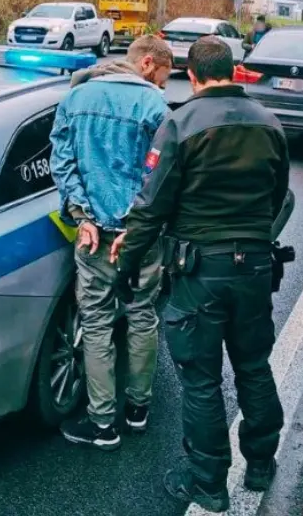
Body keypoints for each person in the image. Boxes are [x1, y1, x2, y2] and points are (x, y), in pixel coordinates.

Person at [110, 36, 289, 513]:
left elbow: (151, 207)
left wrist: (125, 270)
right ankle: (261, 463)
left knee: (202, 380)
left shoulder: (180, 123)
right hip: (253, 267)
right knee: (253, 366)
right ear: (233, 70)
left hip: (198, 272)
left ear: (192, 75)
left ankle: (209, 485)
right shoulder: (270, 124)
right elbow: (280, 196)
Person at [49, 35, 174, 451]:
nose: (164, 84)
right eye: (164, 75)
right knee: (142, 316)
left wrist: (82, 215)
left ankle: (103, 423)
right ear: (146, 65)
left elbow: (62, 163)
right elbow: (161, 178)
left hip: (93, 235)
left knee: (97, 322)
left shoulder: (76, 98)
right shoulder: (156, 108)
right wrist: (138, 227)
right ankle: (138, 409)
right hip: (138, 237)